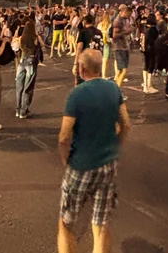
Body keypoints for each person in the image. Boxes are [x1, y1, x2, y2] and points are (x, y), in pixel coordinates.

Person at [57, 49, 131, 253]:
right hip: (108, 165)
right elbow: (125, 124)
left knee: (66, 224)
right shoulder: (113, 88)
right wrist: (115, 146)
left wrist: (66, 159)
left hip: (81, 165)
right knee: (101, 224)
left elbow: (64, 137)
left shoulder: (76, 94)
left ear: (81, 69)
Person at [16, 18, 44, 118]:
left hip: (22, 61)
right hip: (31, 61)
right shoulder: (35, 38)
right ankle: (24, 110)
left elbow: (19, 48)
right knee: (28, 86)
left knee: (19, 86)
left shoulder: (21, 38)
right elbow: (42, 45)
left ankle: (18, 109)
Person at [74, 15, 104, 85]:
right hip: (96, 60)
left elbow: (79, 47)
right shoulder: (99, 32)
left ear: (84, 22)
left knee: (80, 83)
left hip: (85, 60)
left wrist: (75, 63)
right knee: (95, 82)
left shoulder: (83, 32)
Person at [110, 5, 134, 90]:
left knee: (121, 71)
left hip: (124, 46)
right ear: (124, 12)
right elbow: (114, 35)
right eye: (129, 14)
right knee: (122, 70)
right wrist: (127, 32)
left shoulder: (125, 20)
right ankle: (116, 91)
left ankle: (115, 89)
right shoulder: (118, 21)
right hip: (119, 47)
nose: (129, 16)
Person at [140, 15, 160, 94]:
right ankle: (149, 85)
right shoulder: (153, 29)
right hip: (151, 50)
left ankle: (145, 85)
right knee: (150, 67)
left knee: (145, 67)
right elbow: (156, 39)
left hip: (143, 49)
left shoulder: (144, 28)